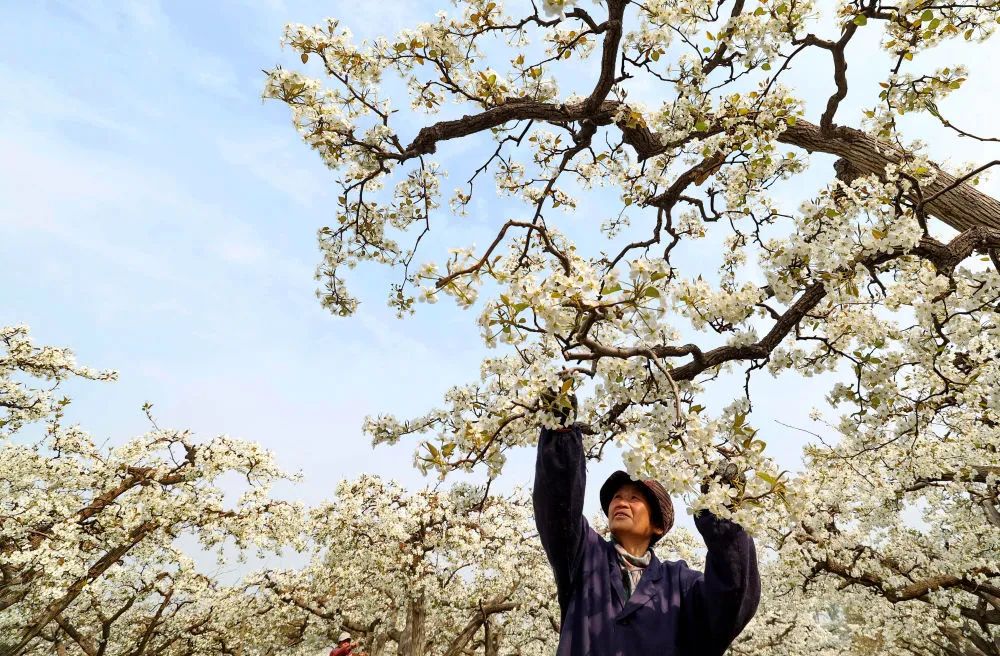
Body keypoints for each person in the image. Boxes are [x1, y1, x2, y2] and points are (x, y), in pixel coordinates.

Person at [533, 388, 760, 656]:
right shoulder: (584, 557)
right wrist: (561, 437)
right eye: (616, 497)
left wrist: (723, 517)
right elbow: (558, 509)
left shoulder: (679, 583)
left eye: (634, 498)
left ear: (658, 526)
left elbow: (729, 600)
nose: (621, 502)